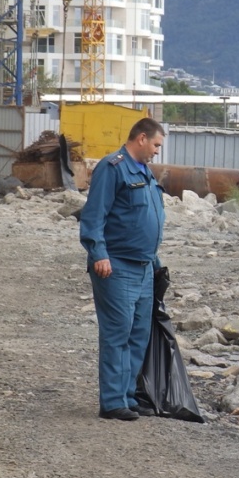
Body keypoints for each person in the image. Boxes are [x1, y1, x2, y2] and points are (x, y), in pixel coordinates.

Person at [80, 117, 166, 421]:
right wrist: (98, 252)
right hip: (115, 265)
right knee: (117, 332)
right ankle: (113, 401)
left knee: (138, 334)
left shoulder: (145, 172)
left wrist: (155, 262)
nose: (157, 151)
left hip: (143, 267)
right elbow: (93, 215)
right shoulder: (113, 167)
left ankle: (128, 397)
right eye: (156, 144)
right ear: (141, 138)